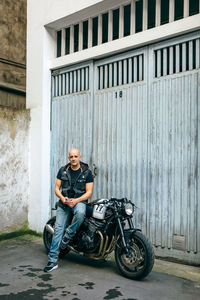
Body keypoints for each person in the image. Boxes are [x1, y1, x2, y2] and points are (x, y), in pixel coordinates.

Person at [44, 148, 94, 272]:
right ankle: (52, 260)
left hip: (79, 202)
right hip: (64, 203)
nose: (73, 159)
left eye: (76, 156)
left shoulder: (86, 172)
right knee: (58, 230)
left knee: (81, 212)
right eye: (71, 157)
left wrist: (76, 201)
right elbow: (56, 188)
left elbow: (89, 193)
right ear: (68, 158)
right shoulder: (63, 170)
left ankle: (69, 235)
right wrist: (63, 198)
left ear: (80, 157)